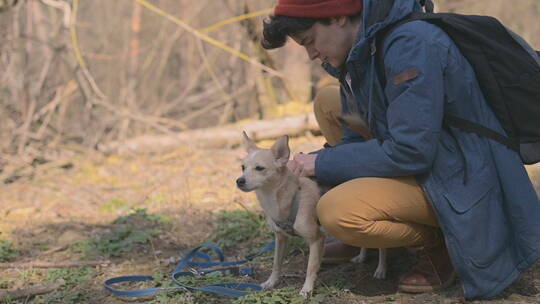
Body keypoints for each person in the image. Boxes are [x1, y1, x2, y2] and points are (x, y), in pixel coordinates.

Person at [261, 0, 540, 300]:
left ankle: (442, 241)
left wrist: (322, 164)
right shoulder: (357, 52)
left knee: (338, 212)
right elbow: (357, 137)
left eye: (309, 41)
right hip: (433, 162)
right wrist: (318, 162)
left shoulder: (411, 45)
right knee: (328, 102)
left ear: (338, 16)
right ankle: (369, 239)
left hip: (465, 177)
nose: (311, 54)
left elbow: (410, 151)